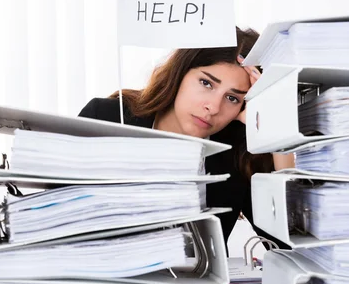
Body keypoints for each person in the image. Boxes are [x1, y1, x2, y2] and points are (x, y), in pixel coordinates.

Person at [79, 27, 294, 247]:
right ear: (180, 72)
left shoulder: (238, 152)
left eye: (232, 98)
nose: (212, 107)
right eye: (206, 83)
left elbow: (287, 241)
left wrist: (275, 131)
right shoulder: (106, 118)